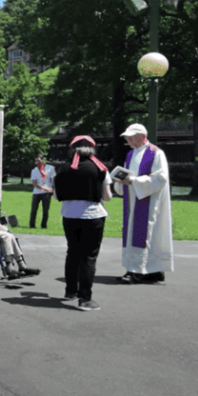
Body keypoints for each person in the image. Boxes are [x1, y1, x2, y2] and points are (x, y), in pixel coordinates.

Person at [54, 135, 113, 310]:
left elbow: (57, 195)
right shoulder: (100, 168)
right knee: (88, 257)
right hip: (93, 215)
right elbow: (107, 196)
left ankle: (70, 290)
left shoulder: (63, 168)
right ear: (92, 148)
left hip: (69, 215)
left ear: (72, 149)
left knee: (73, 252)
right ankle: (85, 299)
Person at [114, 123, 173, 285]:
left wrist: (134, 181)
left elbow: (160, 178)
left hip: (148, 200)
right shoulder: (130, 154)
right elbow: (128, 175)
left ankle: (138, 271)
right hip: (132, 200)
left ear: (141, 136)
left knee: (145, 233)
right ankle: (151, 271)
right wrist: (120, 180)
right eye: (127, 138)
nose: (128, 141)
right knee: (135, 233)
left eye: (131, 138)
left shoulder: (156, 153)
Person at [29, 154, 56, 229]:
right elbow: (34, 183)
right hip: (36, 192)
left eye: (38, 159)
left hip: (46, 193)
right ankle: (32, 225)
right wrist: (44, 188)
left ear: (42, 159)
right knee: (34, 209)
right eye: (36, 160)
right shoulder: (34, 170)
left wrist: (52, 189)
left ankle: (43, 225)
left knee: (45, 210)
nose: (37, 161)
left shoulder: (50, 168)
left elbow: (53, 179)